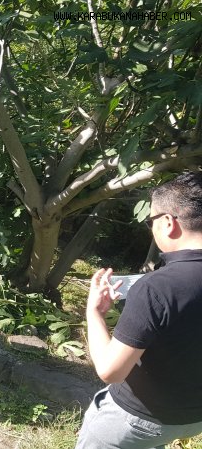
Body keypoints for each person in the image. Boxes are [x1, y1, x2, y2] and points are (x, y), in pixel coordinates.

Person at [76, 172, 202, 448]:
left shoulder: (157, 287)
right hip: (194, 418)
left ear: (168, 222)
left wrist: (94, 314)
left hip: (138, 419)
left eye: (151, 220)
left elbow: (110, 371)